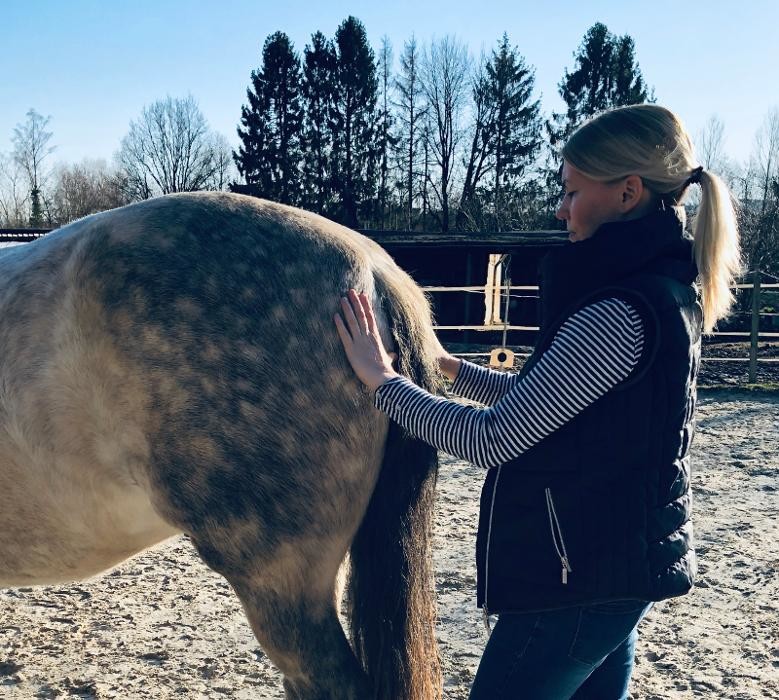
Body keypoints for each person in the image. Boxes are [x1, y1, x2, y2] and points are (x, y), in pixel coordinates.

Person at [334, 104, 741, 700]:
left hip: (575, 581)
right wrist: (452, 371)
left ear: (627, 192)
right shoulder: (664, 291)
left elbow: (495, 437)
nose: (560, 207)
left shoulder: (619, 309)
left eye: (572, 191)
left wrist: (381, 381)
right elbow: (564, 406)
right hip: (613, 569)